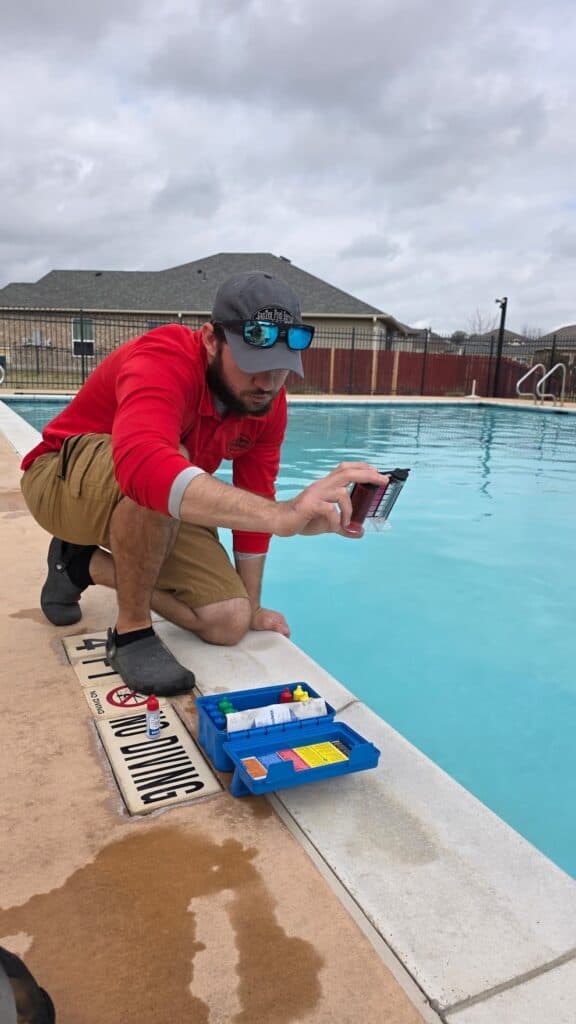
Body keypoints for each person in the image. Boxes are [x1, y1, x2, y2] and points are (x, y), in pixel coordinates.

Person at [20, 271, 388, 697]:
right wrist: (283, 515)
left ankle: (80, 564)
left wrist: (252, 607)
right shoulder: (164, 356)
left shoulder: (265, 402)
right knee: (169, 462)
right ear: (212, 340)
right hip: (58, 481)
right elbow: (145, 467)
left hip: (144, 495)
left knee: (226, 620)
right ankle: (132, 633)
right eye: (253, 364)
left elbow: (255, 500)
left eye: (280, 369)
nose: (266, 382)